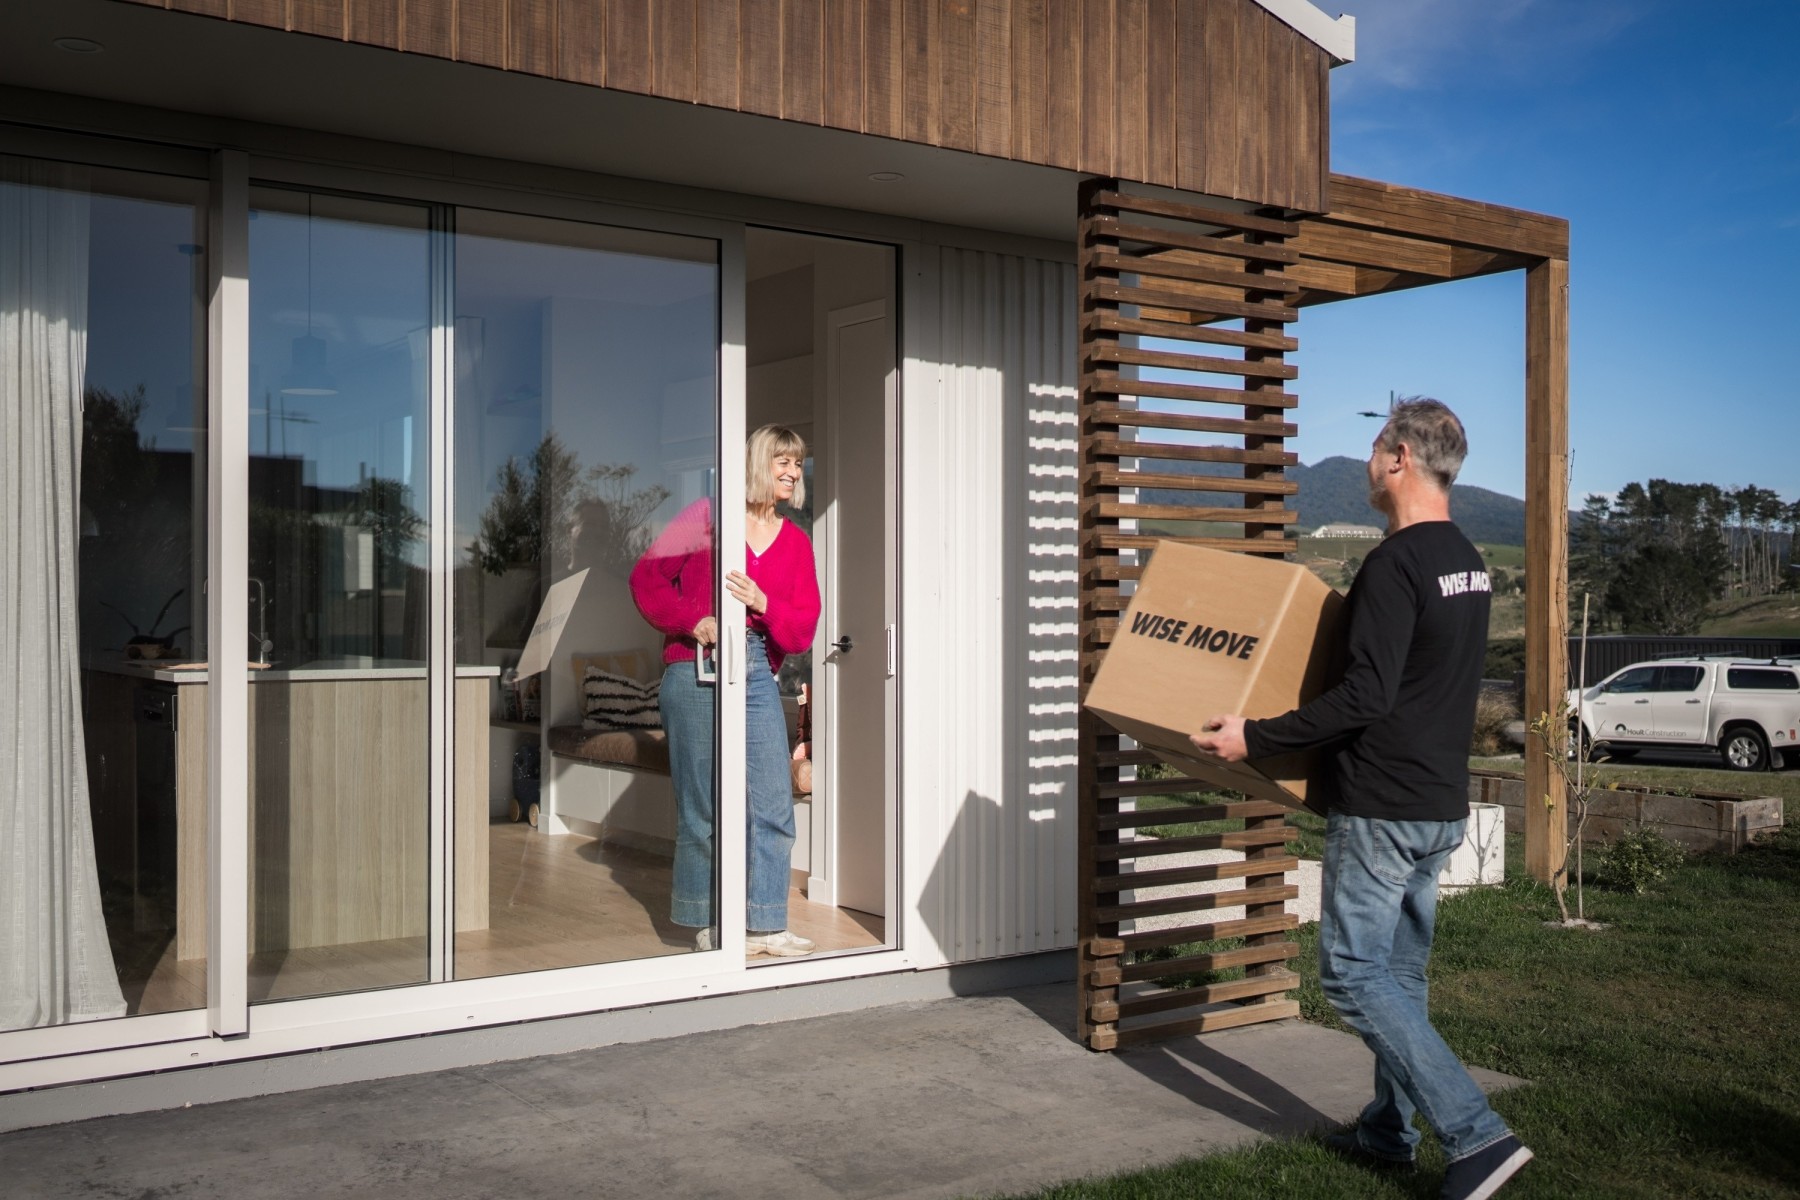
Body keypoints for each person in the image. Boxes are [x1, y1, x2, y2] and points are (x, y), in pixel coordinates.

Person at [1190, 399, 1533, 1200]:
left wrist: (1257, 736)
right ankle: (1388, 1130)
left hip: (1383, 802)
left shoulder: (1394, 564)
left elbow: (1367, 695)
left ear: (1400, 458)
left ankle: (1477, 1138)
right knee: (1399, 979)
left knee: (1348, 974)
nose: (1369, 461)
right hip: (1439, 802)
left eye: (1376, 448)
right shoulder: (1468, 560)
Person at [629, 425, 822, 958]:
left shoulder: (797, 541)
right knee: (704, 805)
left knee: (773, 802)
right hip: (693, 665)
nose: (792, 472)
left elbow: (802, 628)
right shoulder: (706, 518)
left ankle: (765, 923)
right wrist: (693, 621)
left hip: (756, 668)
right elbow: (646, 580)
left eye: (798, 464)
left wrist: (762, 602)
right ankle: (709, 921)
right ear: (759, 462)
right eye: (782, 461)